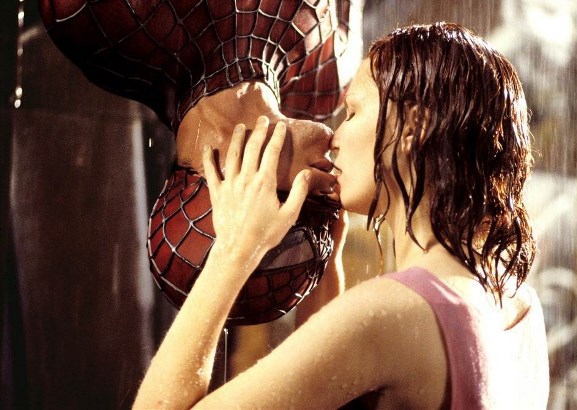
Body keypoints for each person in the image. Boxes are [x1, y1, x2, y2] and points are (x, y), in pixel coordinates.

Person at [133, 22, 550, 409]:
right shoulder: (519, 309)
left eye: (352, 112)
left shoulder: (393, 314)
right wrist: (328, 267)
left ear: (412, 128)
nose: (335, 137)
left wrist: (234, 249)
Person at [39, 0, 360, 324]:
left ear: (232, 187)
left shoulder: (102, 21)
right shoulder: (329, 75)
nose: (330, 198)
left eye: (297, 218)